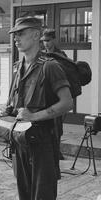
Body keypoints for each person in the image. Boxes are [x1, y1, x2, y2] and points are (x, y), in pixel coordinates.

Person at [0, 16, 73, 200]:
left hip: (43, 143)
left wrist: (35, 116)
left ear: (35, 35)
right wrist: (7, 111)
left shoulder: (50, 67)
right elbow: (15, 103)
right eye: (14, 35)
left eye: (20, 34)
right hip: (20, 142)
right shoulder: (17, 67)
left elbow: (67, 103)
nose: (16, 39)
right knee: (25, 195)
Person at [41, 28, 67, 160]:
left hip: (59, 96)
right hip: (45, 97)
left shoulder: (61, 55)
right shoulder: (41, 55)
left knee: (57, 127)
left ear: (54, 40)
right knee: (47, 127)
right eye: (44, 41)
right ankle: (51, 153)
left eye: (48, 40)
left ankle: (56, 152)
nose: (46, 43)